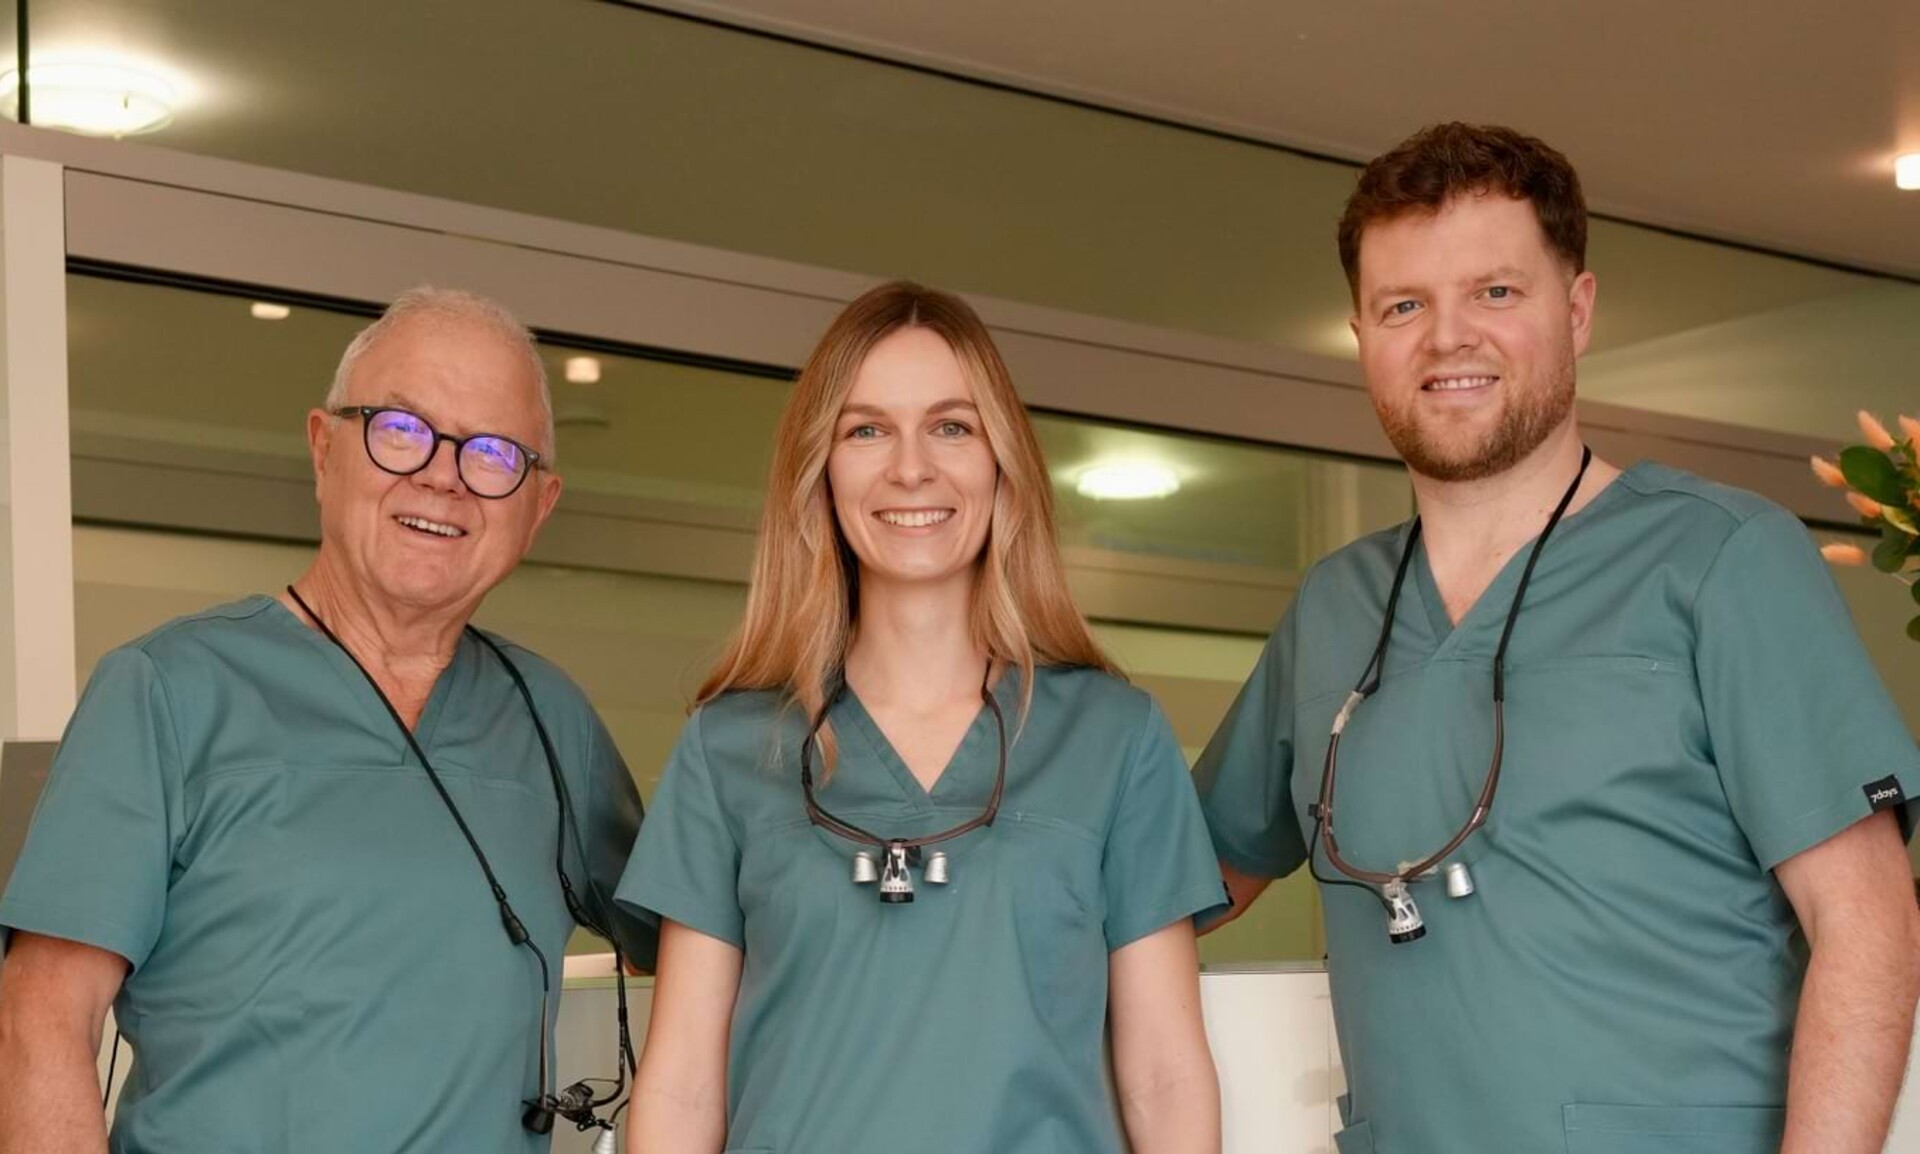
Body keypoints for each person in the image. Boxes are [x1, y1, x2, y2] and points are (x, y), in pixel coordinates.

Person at [1195, 123, 1920, 1154]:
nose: (1449, 338)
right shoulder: (1334, 610)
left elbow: (1868, 924)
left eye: (1496, 292)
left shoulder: (1723, 561)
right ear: (1362, 336)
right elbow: (1185, 879)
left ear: (1576, 311)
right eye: (1405, 305)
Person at [0, 288, 654, 1154]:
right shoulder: (168, 690)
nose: (441, 475)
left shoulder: (551, 721)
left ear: (539, 505)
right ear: (322, 447)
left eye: (494, 453)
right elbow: (41, 1020)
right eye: (399, 429)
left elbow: (714, 956)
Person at [618, 281, 1224, 1154]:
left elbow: (1165, 1077)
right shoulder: (731, 749)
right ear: (819, 473)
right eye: (866, 430)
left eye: (952, 425)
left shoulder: (1113, 738)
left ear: (1000, 460)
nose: (912, 468)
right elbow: (678, 1090)